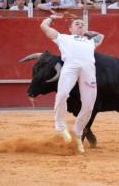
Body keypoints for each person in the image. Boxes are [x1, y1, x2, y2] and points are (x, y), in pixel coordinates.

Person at [39, 14, 104, 154]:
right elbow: (43, 27)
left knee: (89, 105)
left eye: (82, 24)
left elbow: (101, 36)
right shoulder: (63, 37)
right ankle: (60, 126)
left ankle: (77, 133)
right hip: (70, 67)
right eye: (77, 24)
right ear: (69, 29)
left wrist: (88, 33)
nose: (80, 25)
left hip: (88, 70)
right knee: (62, 94)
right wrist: (51, 17)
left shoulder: (90, 41)